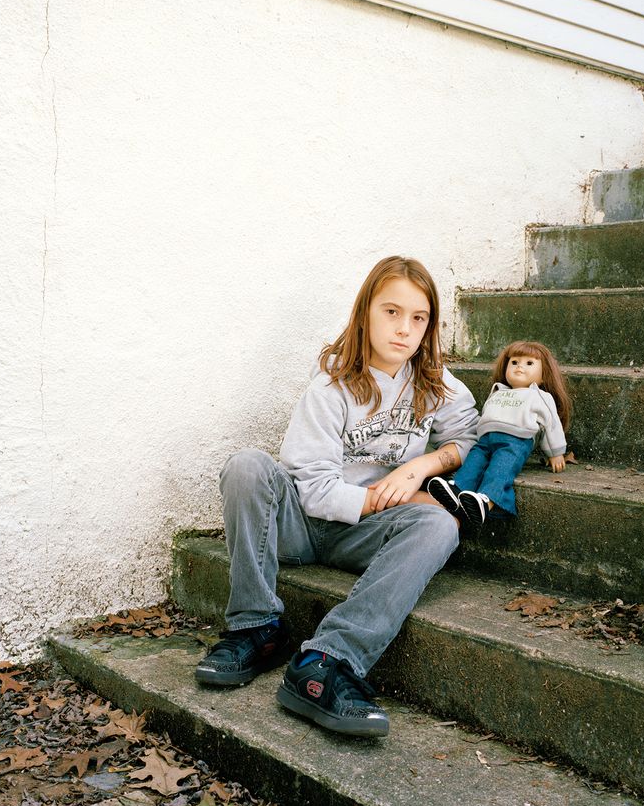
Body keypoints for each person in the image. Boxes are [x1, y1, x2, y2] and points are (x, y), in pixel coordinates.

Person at [194, 255, 479, 738]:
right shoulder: (330, 387)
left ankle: (328, 659)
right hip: (300, 526)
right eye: (391, 312)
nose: (404, 329)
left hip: (363, 535)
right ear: (365, 312)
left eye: (418, 317)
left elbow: (468, 436)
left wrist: (421, 467)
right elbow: (316, 491)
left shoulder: (433, 383)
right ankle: (255, 628)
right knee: (247, 466)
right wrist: (396, 500)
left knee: (439, 524)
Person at [426, 340, 571, 530]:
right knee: (474, 461)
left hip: (515, 441)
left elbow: (551, 424)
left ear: (544, 375)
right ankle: (458, 488)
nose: (520, 367)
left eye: (529, 363)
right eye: (514, 362)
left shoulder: (539, 397)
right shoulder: (498, 391)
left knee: (501, 467)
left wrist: (555, 452)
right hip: (486, 440)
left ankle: (487, 501)